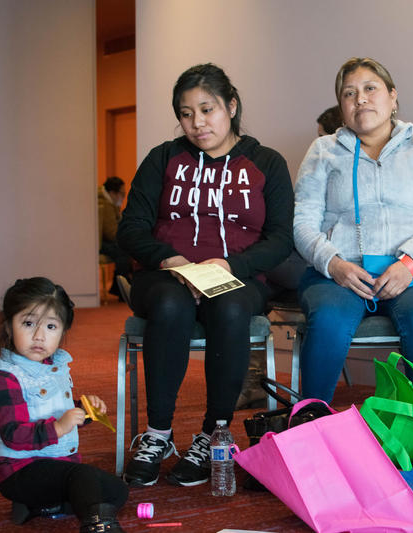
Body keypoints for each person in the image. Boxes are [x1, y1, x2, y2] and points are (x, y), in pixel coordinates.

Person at [117, 63, 294, 487]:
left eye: (207, 109)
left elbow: (281, 238)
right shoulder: (163, 158)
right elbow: (131, 228)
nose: (197, 123)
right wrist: (169, 260)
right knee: (169, 302)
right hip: (167, 275)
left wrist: (233, 265)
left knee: (231, 307)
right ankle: (158, 433)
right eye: (185, 113)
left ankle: (214, 433)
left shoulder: (266, 162)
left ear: (231, 106)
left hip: (236, 276)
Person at [294, 57, 413, 403]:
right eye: (349, 93)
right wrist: (334, 264)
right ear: (341, 106)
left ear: (393, 97)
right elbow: (302, 223)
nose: (361, 99)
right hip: (340, 274)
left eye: (370, 89)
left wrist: (409, 264)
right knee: (326, 321)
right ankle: (311, 423)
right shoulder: (323, 151)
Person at [0, 277, 128, 532]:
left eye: (51, 327)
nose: (39, 336)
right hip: (20, 471)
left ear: (62, 333)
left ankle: (40, 507)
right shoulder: (5, 377)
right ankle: (97, 525)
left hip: (59, 463)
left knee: (117, 491)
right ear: (8, 326)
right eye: (28, 324)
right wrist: (60, 427)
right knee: (82, 479)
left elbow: (52, 409)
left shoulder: (54, 366)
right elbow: (13, 434)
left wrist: (83, 410)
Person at [98, 176, 132, 299]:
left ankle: (118, 286)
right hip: (101, 243)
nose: (123, 197)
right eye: (122, 194)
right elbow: (111, 233)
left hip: (104, 241)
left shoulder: (109, 202)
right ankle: (120, 287)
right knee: (124, 251)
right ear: (112, 193)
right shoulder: (105, 205)